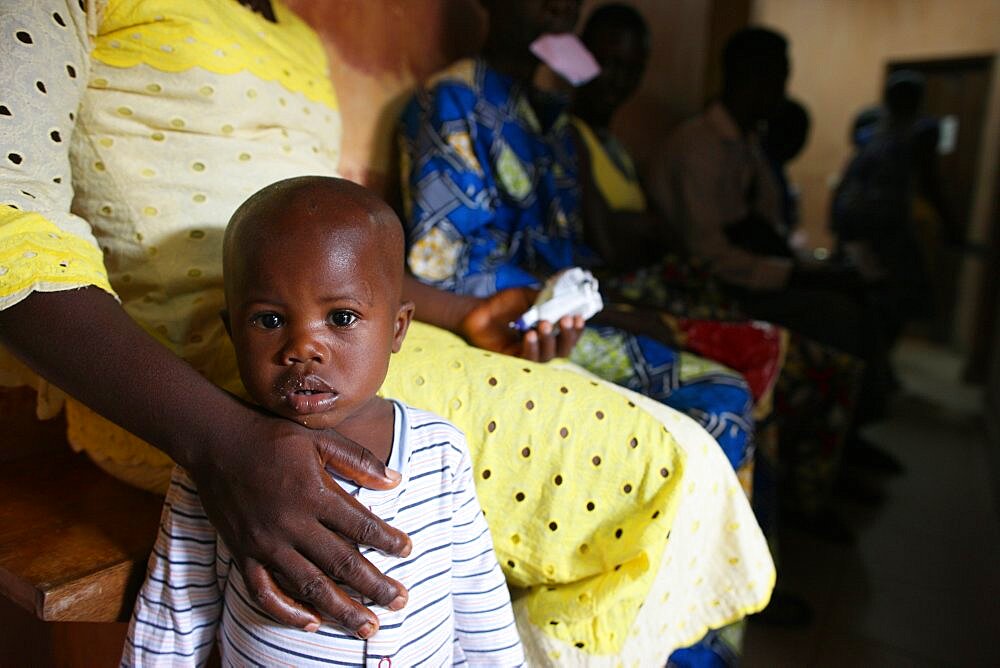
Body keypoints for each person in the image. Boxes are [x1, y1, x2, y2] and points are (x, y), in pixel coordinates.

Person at [0, 0, 773, 663]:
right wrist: (220, 439)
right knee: (670, 471)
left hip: (354, 367)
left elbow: (336, 263)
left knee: (691, 447)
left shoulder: (296, 36)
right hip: (179, 388)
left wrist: (463, 314)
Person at [123, 176, 524, 666]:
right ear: (232, 332)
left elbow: (477, 595)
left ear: (397, 329)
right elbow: (177, 607)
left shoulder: (441, 450)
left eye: (342, 318)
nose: (302, 348)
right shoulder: (217, 463)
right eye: (269, 321)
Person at [400, 0, 756, 473]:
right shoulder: (453, 101)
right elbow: (445, 266)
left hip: (574, 314)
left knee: (725, 338)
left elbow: (573, 250)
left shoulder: (552, 123)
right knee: (722, 398)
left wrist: (617, 303)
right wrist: (608, 312)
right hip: (521, 324)